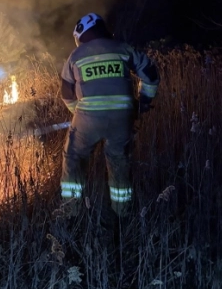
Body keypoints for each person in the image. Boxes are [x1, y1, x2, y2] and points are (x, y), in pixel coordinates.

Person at [58, 13, 159, 225]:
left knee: (74, 157)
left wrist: (79, 111)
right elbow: (150, 73)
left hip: (87, 119)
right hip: (122, 118)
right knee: (119, 160)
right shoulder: (123, 48)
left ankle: (72, 214)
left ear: (80, 34)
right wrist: (143, 103)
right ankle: (122, 214)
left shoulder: (76, 55)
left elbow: (66, 92)